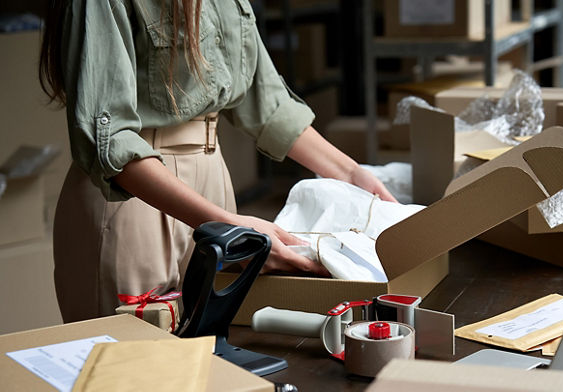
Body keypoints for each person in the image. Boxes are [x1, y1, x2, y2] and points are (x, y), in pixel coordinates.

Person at [39, 0, 397, 323]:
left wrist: (352, 174)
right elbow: (112, 139)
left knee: (211, 355)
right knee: (136, 362)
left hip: (212, 180)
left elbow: (266, 102)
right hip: (134, 193)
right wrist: (229, 227)